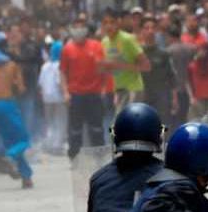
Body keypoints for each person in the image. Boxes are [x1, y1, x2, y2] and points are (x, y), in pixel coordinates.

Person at [0, 33, 33, 189]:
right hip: (7, 103)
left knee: (9, 140)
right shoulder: (12, 65)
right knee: (23, 138)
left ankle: (26, 176)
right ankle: (8, 156)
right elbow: (21, 87)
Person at [60, 17, 107, 159]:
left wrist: (104, 88)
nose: (79, 30)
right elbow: (62, 72)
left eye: (82, 27)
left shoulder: (96, 46)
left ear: (86, 30)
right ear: (72, 30)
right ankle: (74, 156)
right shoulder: (67, 49)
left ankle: (99, 156)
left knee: (97, 128)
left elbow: (103, 68)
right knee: (75, 130)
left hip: (94, 93)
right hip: (76, 95)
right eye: (76, 27)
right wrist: (65, 92)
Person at [101, 8, 151, 111]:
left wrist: (122, 65)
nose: (108, 26)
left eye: (112, 22)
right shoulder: (104, 42)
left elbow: (146, 66)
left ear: (118, 23)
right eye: (105, 23)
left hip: (133, 89)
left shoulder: (128, 39)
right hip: (117, 91)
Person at [140, 16, 177, 128]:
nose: (150, 31)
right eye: (147, 28)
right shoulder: (137, 53)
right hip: (143, 96)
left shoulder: (163, 53)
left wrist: (174, 99)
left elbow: (171, 76)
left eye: (152, 28)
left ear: (156, 31)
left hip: (162, 97)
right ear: (142, 31)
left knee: (163, 128)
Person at [38, 40, 67, 155]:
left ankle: (49, 143)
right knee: (61, 120)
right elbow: (60, 82)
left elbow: (40, 83)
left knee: (49, 121)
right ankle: (57, 145)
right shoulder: (60, 66)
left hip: (47, 98)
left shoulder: (45, 66)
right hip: (59, 97)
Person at [165, 26, 197, 131]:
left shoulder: (167, 51)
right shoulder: (190, 48)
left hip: (173, 89)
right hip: (188, 88)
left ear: (170, 37)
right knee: (184, 117)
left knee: (173, 119)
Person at [187, 43, 208, 120]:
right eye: (199, 51)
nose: (201, 53)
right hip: (198, 99)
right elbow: (188, 82)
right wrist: (191, 97)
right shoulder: (192, 65)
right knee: (195, 122)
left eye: (203, 51)